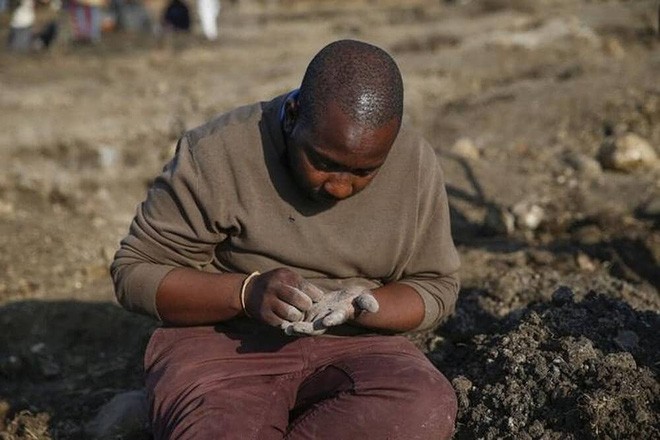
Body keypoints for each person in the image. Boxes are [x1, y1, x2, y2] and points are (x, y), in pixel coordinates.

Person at [111, 39, 461, 439]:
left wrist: (360, 307)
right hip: (223, 344)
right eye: (324, 163)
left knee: (421, 406)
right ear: (293, 116)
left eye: (364, 172)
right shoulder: (218, 153)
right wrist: (246, 293)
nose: (340, 188)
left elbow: (436, 284)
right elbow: (134, 273)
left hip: (356, 346)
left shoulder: (413, 163)